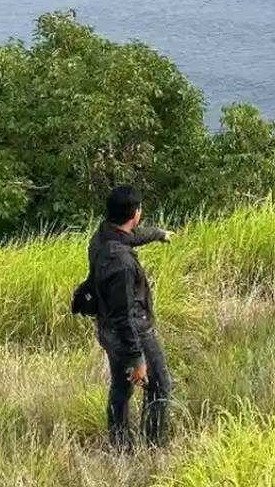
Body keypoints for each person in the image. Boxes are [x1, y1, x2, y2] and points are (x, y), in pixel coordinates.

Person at [88, 184, 174, 451]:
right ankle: (154, 445)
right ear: (135, 213)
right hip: (132, 332)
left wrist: (158, 234)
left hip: (107, 328)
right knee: (160, 386)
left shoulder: (102, 237)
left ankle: (119, 446)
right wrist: (138, 359)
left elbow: (129, 237)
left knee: (121, 388)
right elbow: (125, 315)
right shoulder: (123, 264)